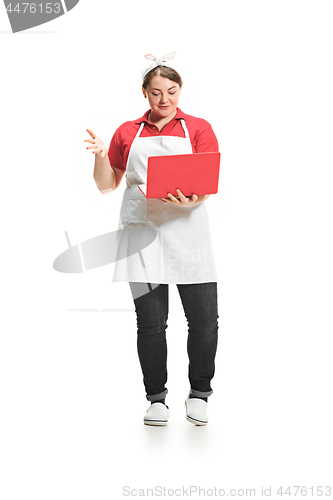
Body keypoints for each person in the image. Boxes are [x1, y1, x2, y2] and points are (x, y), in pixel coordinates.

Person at [84, 52, 219, 426]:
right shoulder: (128, 132)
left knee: (205, 321)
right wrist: (98, 156)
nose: (165, 100)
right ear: (144, 93)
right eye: (157, 92)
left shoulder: (198, 128)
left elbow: (207, 179)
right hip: (141, 235)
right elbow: (105, 185)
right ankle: (156, 399)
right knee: (150, 322)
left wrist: (196, 197)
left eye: (172, 92)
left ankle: (200, 394)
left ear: (180, 91)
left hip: (189, 233)